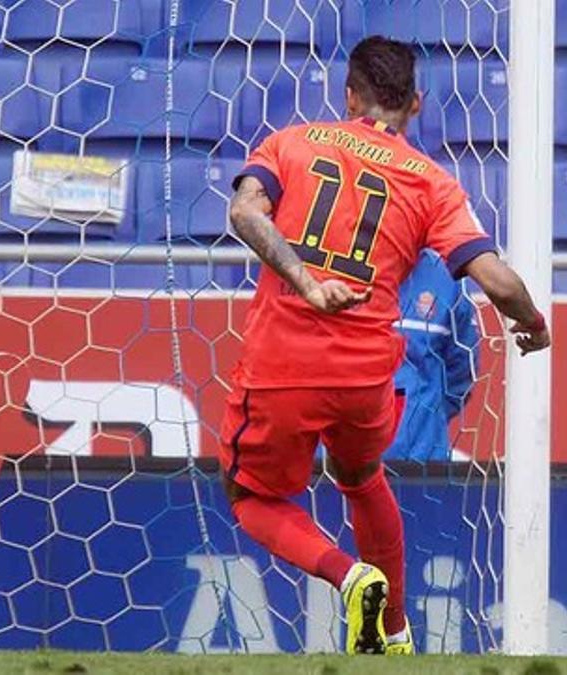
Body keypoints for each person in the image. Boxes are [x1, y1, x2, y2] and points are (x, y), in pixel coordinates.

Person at [223, 35, 549, 656]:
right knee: (363, 476)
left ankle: (350, 579)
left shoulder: (290, 143)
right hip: (368, 377)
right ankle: (395, 631)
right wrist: (531, 319)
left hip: (282, 364)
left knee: (251, 496)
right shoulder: (432, 183)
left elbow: (244, 213)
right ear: (417, 103)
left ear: (349, 95)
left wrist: (305, 282)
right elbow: (494, 278)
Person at [387, 249, 480, 461]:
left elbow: (461, 372)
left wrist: (426, 418)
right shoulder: (332, 269)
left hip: (420, 460)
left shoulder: (446, 276)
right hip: (333, 460)